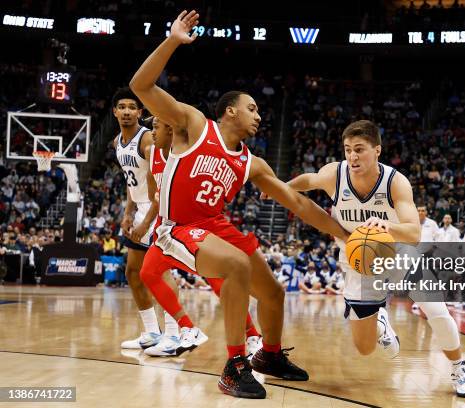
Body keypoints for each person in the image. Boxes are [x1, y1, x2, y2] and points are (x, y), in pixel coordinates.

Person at [129, 10, 348, 399]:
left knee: (274, 293)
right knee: (235, 264)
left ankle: (270, 355)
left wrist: (344, 235)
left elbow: (298, 202)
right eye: (253, 109)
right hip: (176, 227)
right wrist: (173, 41)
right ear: (230, 110)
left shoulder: (252, 163)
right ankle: (234, 366)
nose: (259, 116)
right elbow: (141, 84)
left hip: (215, 226)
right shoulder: (193, 124)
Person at [283, 120, 465, 398]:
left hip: (398, 252)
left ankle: (460, 369)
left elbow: (413, 232)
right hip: (358, 261)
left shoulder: (395, 182)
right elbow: (310, 179)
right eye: (348, 149)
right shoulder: (335, 174)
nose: (352, 156)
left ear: (377, 150)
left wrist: (388, 227)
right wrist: (281, 187)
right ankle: (381, 321)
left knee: (436, 309)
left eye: (359, 150)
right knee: (364, 348)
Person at [143, 116, 262, 358]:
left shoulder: (189, 152)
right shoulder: (152, 153)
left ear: (170, 127)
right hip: (167, 229)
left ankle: (252, 337)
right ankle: (187, 328)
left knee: (218, 281)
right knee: (147, 272)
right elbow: (153, 191)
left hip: (193, 227)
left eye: (156, 126)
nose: (152, 132)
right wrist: (148, 218)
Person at [112, 88, 178, 350]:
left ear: (141, 112)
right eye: (122, 107)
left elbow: (158, 187)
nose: (127, 111)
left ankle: (174, 333)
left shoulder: (147, 141)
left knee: (159, 272)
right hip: (140, 208)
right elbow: (132, 182)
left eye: (132, 107)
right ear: (115, 112)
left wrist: (144, 221)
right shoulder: (118, 142)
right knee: (132, 272)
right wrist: (128, 213)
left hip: (157, 209)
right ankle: (152, 332)